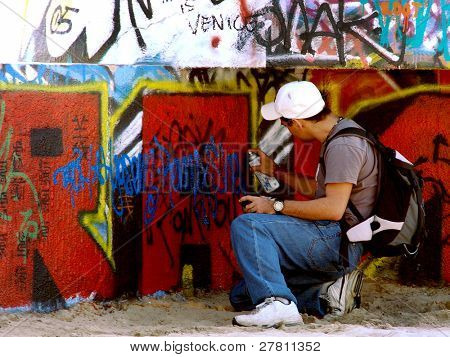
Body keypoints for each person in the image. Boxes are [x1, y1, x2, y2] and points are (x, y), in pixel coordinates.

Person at [230, 81, 378, 328]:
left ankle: (277, 303)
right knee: (242, 294)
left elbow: (333, 209)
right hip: (335, 239)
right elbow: (320, 190)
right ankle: (326, 296)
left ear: (297, 123)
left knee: (248, 226)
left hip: (336, 242)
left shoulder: (343, 145)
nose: (282, 126)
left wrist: (273, 206)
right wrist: (275, 172)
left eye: (284, 122)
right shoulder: (339, 133)